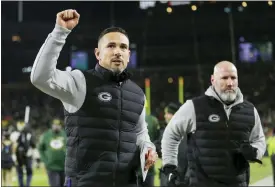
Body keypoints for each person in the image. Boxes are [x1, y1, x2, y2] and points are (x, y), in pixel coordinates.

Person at [30, 9, 158, 187]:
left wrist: (148, 148)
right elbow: (40, 77)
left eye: (123, 47)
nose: (118, 52)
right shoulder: (80, 82)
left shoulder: (137, 94)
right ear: (97, 54)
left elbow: (140, 133)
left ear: (129, 55)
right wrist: (60, 32)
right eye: (111, 46)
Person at [161, 61, 266, 187]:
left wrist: (255, 152)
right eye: (224, 78)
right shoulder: (194, 107)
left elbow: (259, 140)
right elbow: (170, 134)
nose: (230, 83)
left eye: (233, 78)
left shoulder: (250, 110)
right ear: (213, 80)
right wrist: (170, 166)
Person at [155, 102, 188, 187]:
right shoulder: (164, 131)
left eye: (168, 113)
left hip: (182, 179)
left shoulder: (188, 133)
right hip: (167, 178)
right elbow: (159, 150)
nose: (165, 116)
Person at [38, 119, 66, 187]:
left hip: (64, 167)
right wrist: (45, 160)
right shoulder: (46, 135)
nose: (56, 126)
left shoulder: (65, 134)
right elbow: (40, 148)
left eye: (58, 125)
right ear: (52, 126)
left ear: (61, 126)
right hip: (52, 166)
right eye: (55, 125)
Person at [10, 121, 36, 187]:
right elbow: (16, 144)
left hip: (27, 155)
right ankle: (23, 185)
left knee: (27, 171)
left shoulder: (29, 135)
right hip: (20, 155)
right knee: (21, 172)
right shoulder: (17, 134)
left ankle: (27, 185)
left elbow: (33, 145)